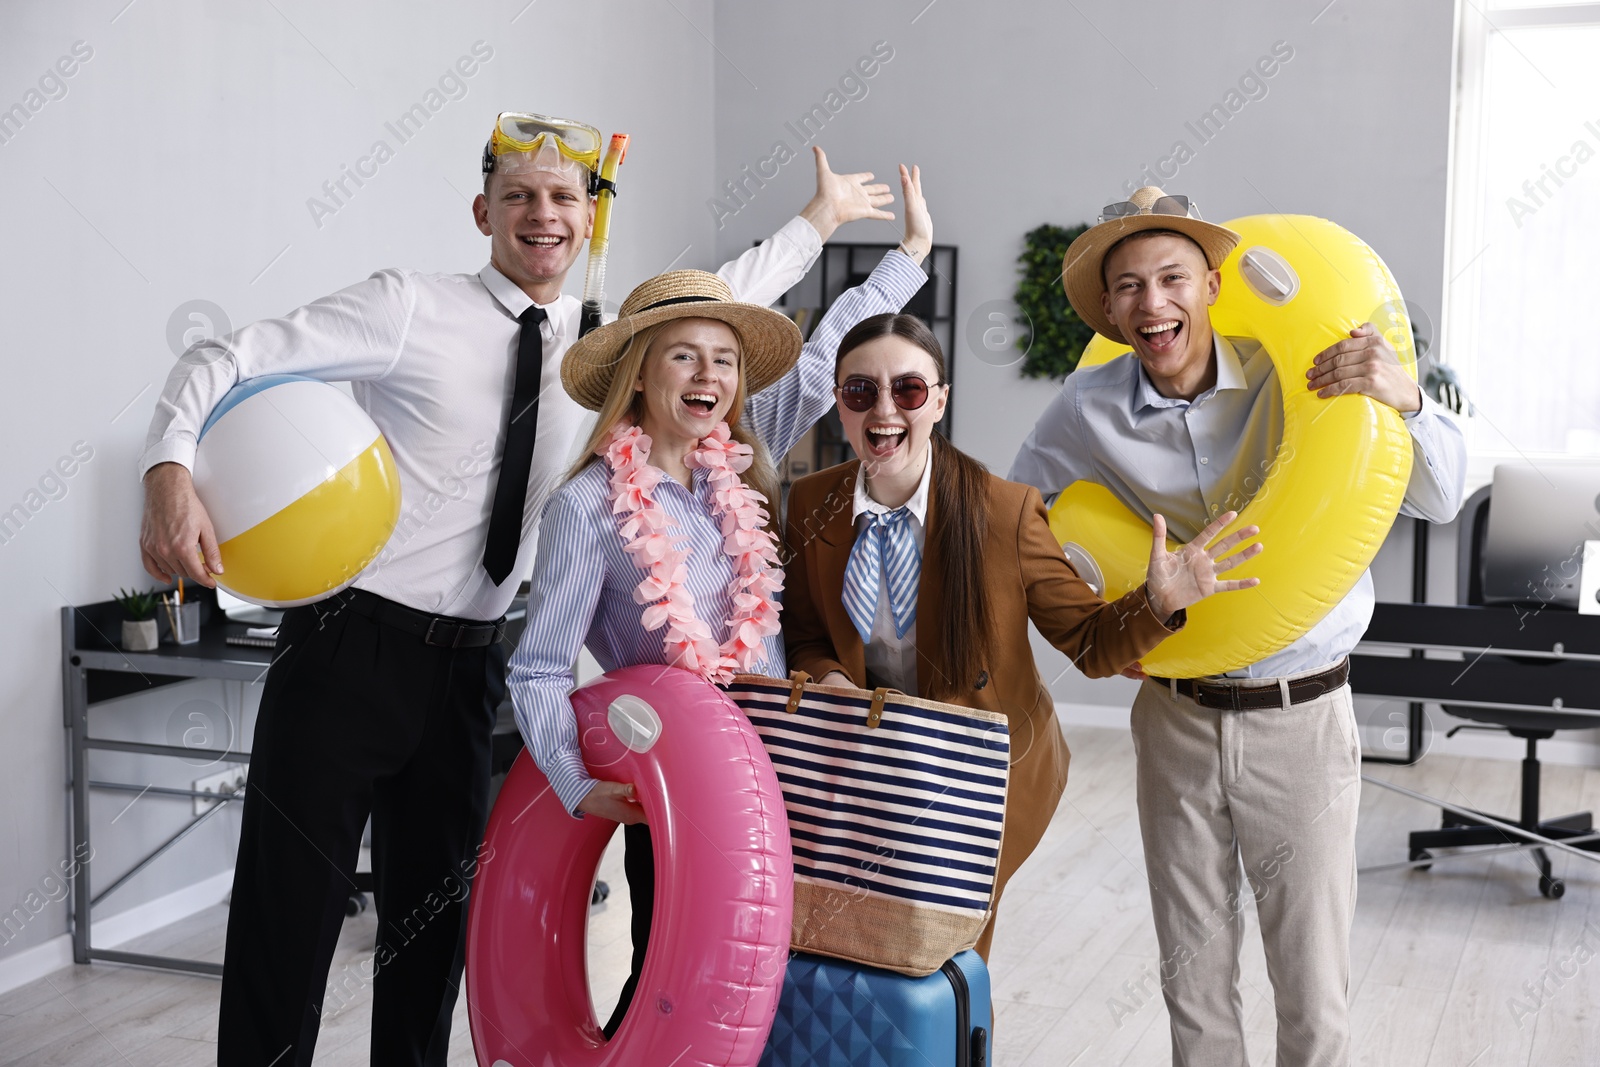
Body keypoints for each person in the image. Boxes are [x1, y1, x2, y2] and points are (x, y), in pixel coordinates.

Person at [136, 108, 900, 1067]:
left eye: (562, 198)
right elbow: (229, 356)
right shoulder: (407, 304)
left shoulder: (604, 343)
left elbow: (726, 303)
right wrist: (168, 468)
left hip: (469, 671)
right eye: (519, 197)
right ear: (482, 211)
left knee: (428, 943)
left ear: (588, 217)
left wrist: (818, 221)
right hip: (347, 646)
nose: (543, 215)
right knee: (287, 923)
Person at [1009, 186, 1467, 1066]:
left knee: (1312, 989)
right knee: (1194, 989)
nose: (1154, 303)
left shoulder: (1305, 372)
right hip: (1174, 716)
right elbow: (1020, 531)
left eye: (1172, 277)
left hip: (1301, 713)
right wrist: (1111, 624)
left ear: (1214, 283)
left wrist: (1404, 394)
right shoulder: (1084, 410)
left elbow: (1441, 497)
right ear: (1109, 310)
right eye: (1131, 287)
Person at [508, 165, 933, 1036]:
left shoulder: (739, 458)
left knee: (770, 971)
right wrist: (575, 781)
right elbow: (540, 666)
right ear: (638, 374)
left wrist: (910, 257)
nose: (710, 377)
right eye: (685, 356)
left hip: (782, 761)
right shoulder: (588, 504)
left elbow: (821, 364)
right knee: (669, 978)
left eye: (726, 361)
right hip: (673, 780)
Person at [780, 312, 1262, 961]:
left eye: (909, 390)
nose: (884, 410)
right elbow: (806, 631)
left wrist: (1157, 603)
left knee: (942, 957)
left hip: (981, 771)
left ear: (940, 400)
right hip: (865, 759)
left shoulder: (1001, 511)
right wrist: (832, 678)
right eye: (860, 391)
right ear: (839, 402)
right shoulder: (811, 502)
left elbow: (1089, 643)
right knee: (849, 950)